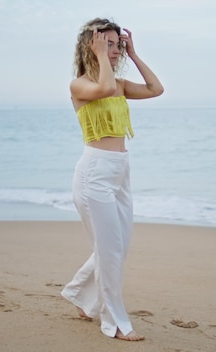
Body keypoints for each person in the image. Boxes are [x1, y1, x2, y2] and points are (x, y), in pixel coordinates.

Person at [61, 18, 164, 342]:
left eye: (117, 43)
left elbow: (155, 89)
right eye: (108, 43)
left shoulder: (119, 85)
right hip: (94, 175)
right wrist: (104, 56)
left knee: (117, 247)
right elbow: (103, 88)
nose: (114, 49)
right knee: (110, 251)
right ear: (90, 47)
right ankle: (115, 321)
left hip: (120, 171)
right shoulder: (80, 85)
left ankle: (78, 293)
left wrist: (133, 54)